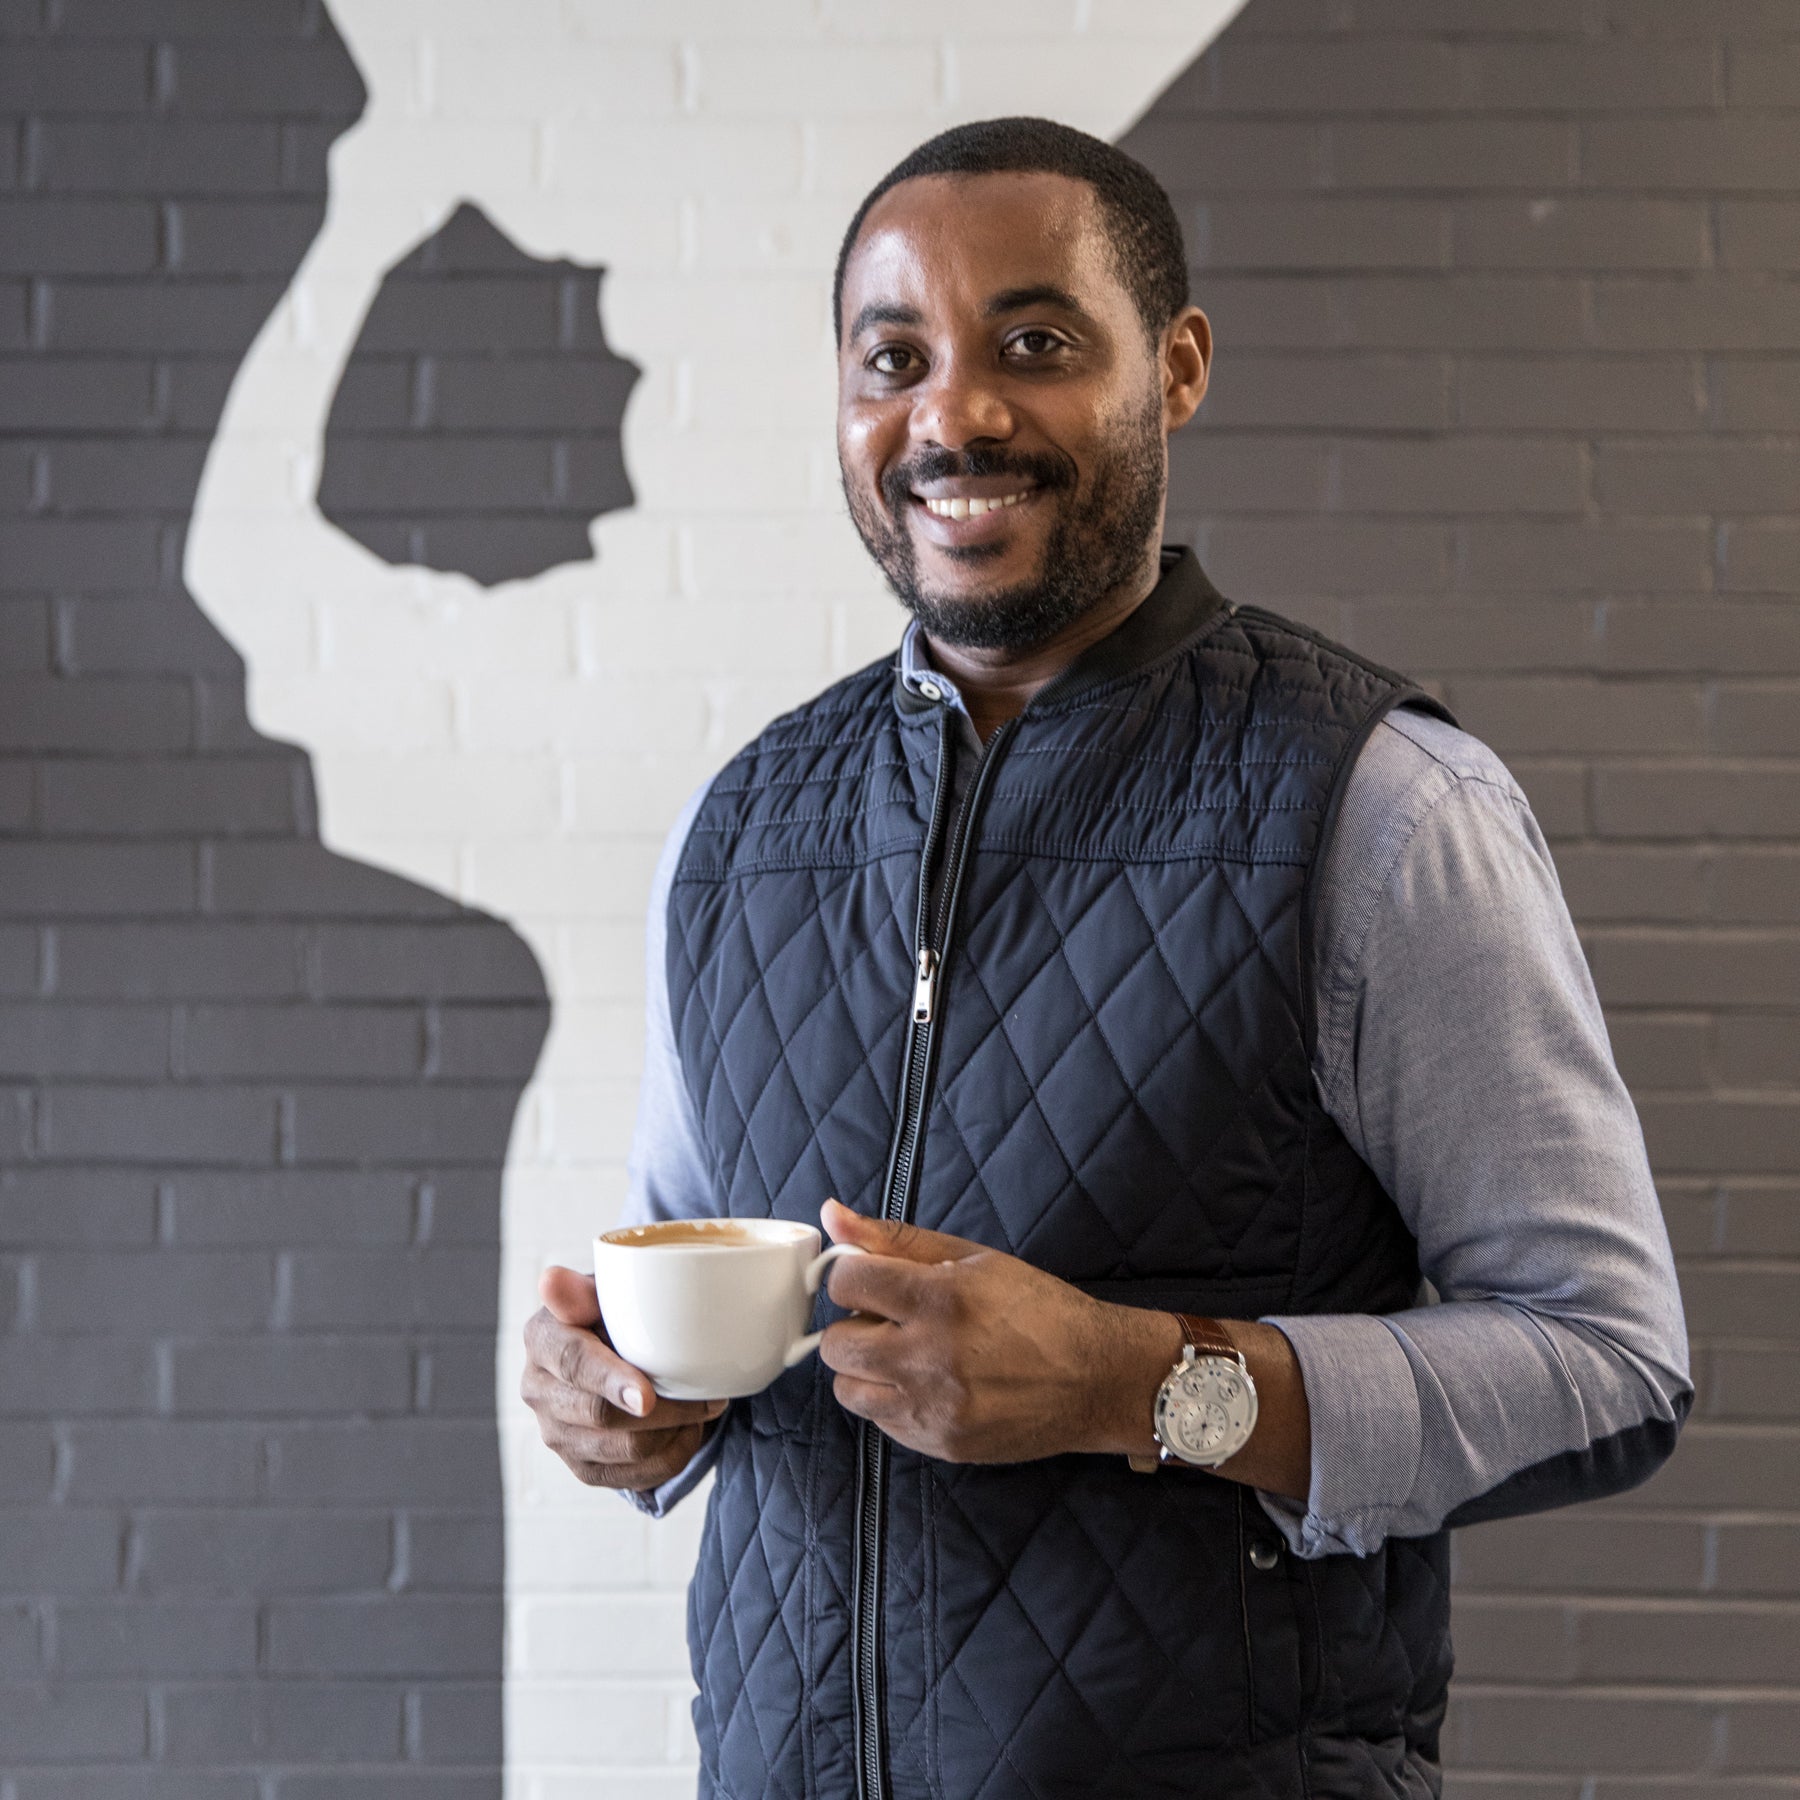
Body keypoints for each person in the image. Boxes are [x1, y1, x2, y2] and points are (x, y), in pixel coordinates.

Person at [520, 117, 1690, 1800]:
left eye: (1036, 345)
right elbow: (702, 1319)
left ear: (1180, 368)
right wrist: (619, 1406)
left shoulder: (1381, 803)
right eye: (893, 358)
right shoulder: (742, 827)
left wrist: (1137, 1386)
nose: (955, 413)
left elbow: (1608, 1364)